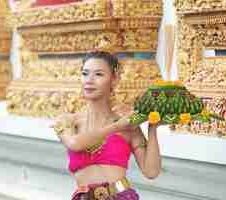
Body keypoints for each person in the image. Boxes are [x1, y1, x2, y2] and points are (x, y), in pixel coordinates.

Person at [52, 51, 162, 200]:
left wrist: (152, 128)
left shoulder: (129, 127)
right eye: (85, 74)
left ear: (114, 79)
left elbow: (151, 172)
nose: (89, 80)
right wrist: (116, 127)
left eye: (98, 74)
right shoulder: (68, 121)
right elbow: (75, 143)